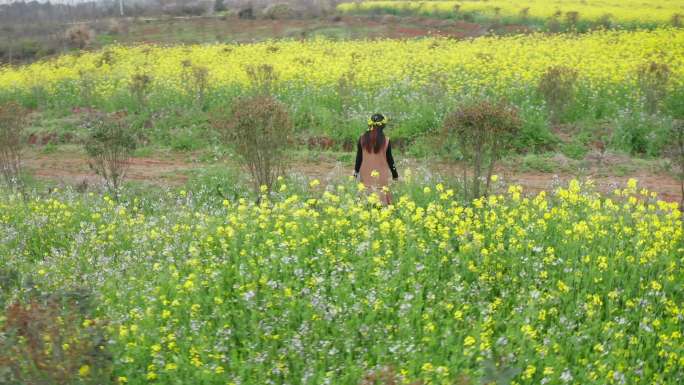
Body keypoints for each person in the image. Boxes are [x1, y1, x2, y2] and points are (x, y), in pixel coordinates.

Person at [354, 113, 399, 205]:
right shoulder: (386, 140)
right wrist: (395, 175)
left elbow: (359, 158)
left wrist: (355, 173)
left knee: (364, 206)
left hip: (365, 178)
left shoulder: (362, 138)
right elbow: (390, 160)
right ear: (383, 125)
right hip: (381, 179)